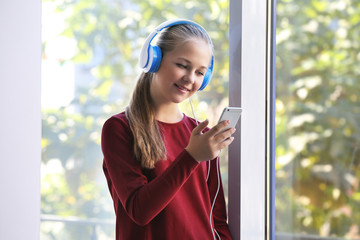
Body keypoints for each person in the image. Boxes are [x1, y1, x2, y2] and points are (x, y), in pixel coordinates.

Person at [101, 19, 235, 240]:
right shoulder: (119, 129)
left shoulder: (200, 135)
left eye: (200, 72)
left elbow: (216, 218)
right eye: (182, 65)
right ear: (153, 60)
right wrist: (191, 156)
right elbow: (139, 210)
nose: (190, 79)